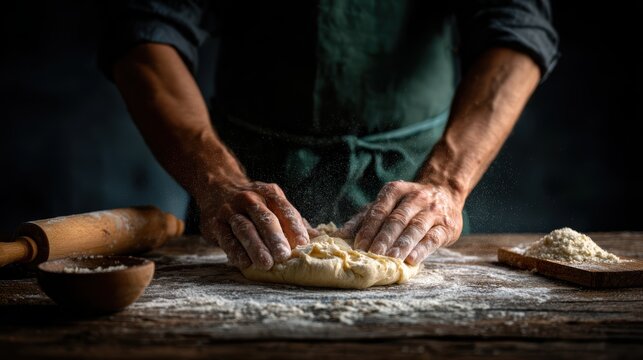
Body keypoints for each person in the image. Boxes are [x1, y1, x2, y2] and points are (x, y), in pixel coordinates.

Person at [99, 0, 558, 270]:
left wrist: (448, 183)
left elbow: (518, 28)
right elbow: (143, 29)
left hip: (415, 179)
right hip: (241, 185)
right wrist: (216, 180)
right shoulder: (224, 186)